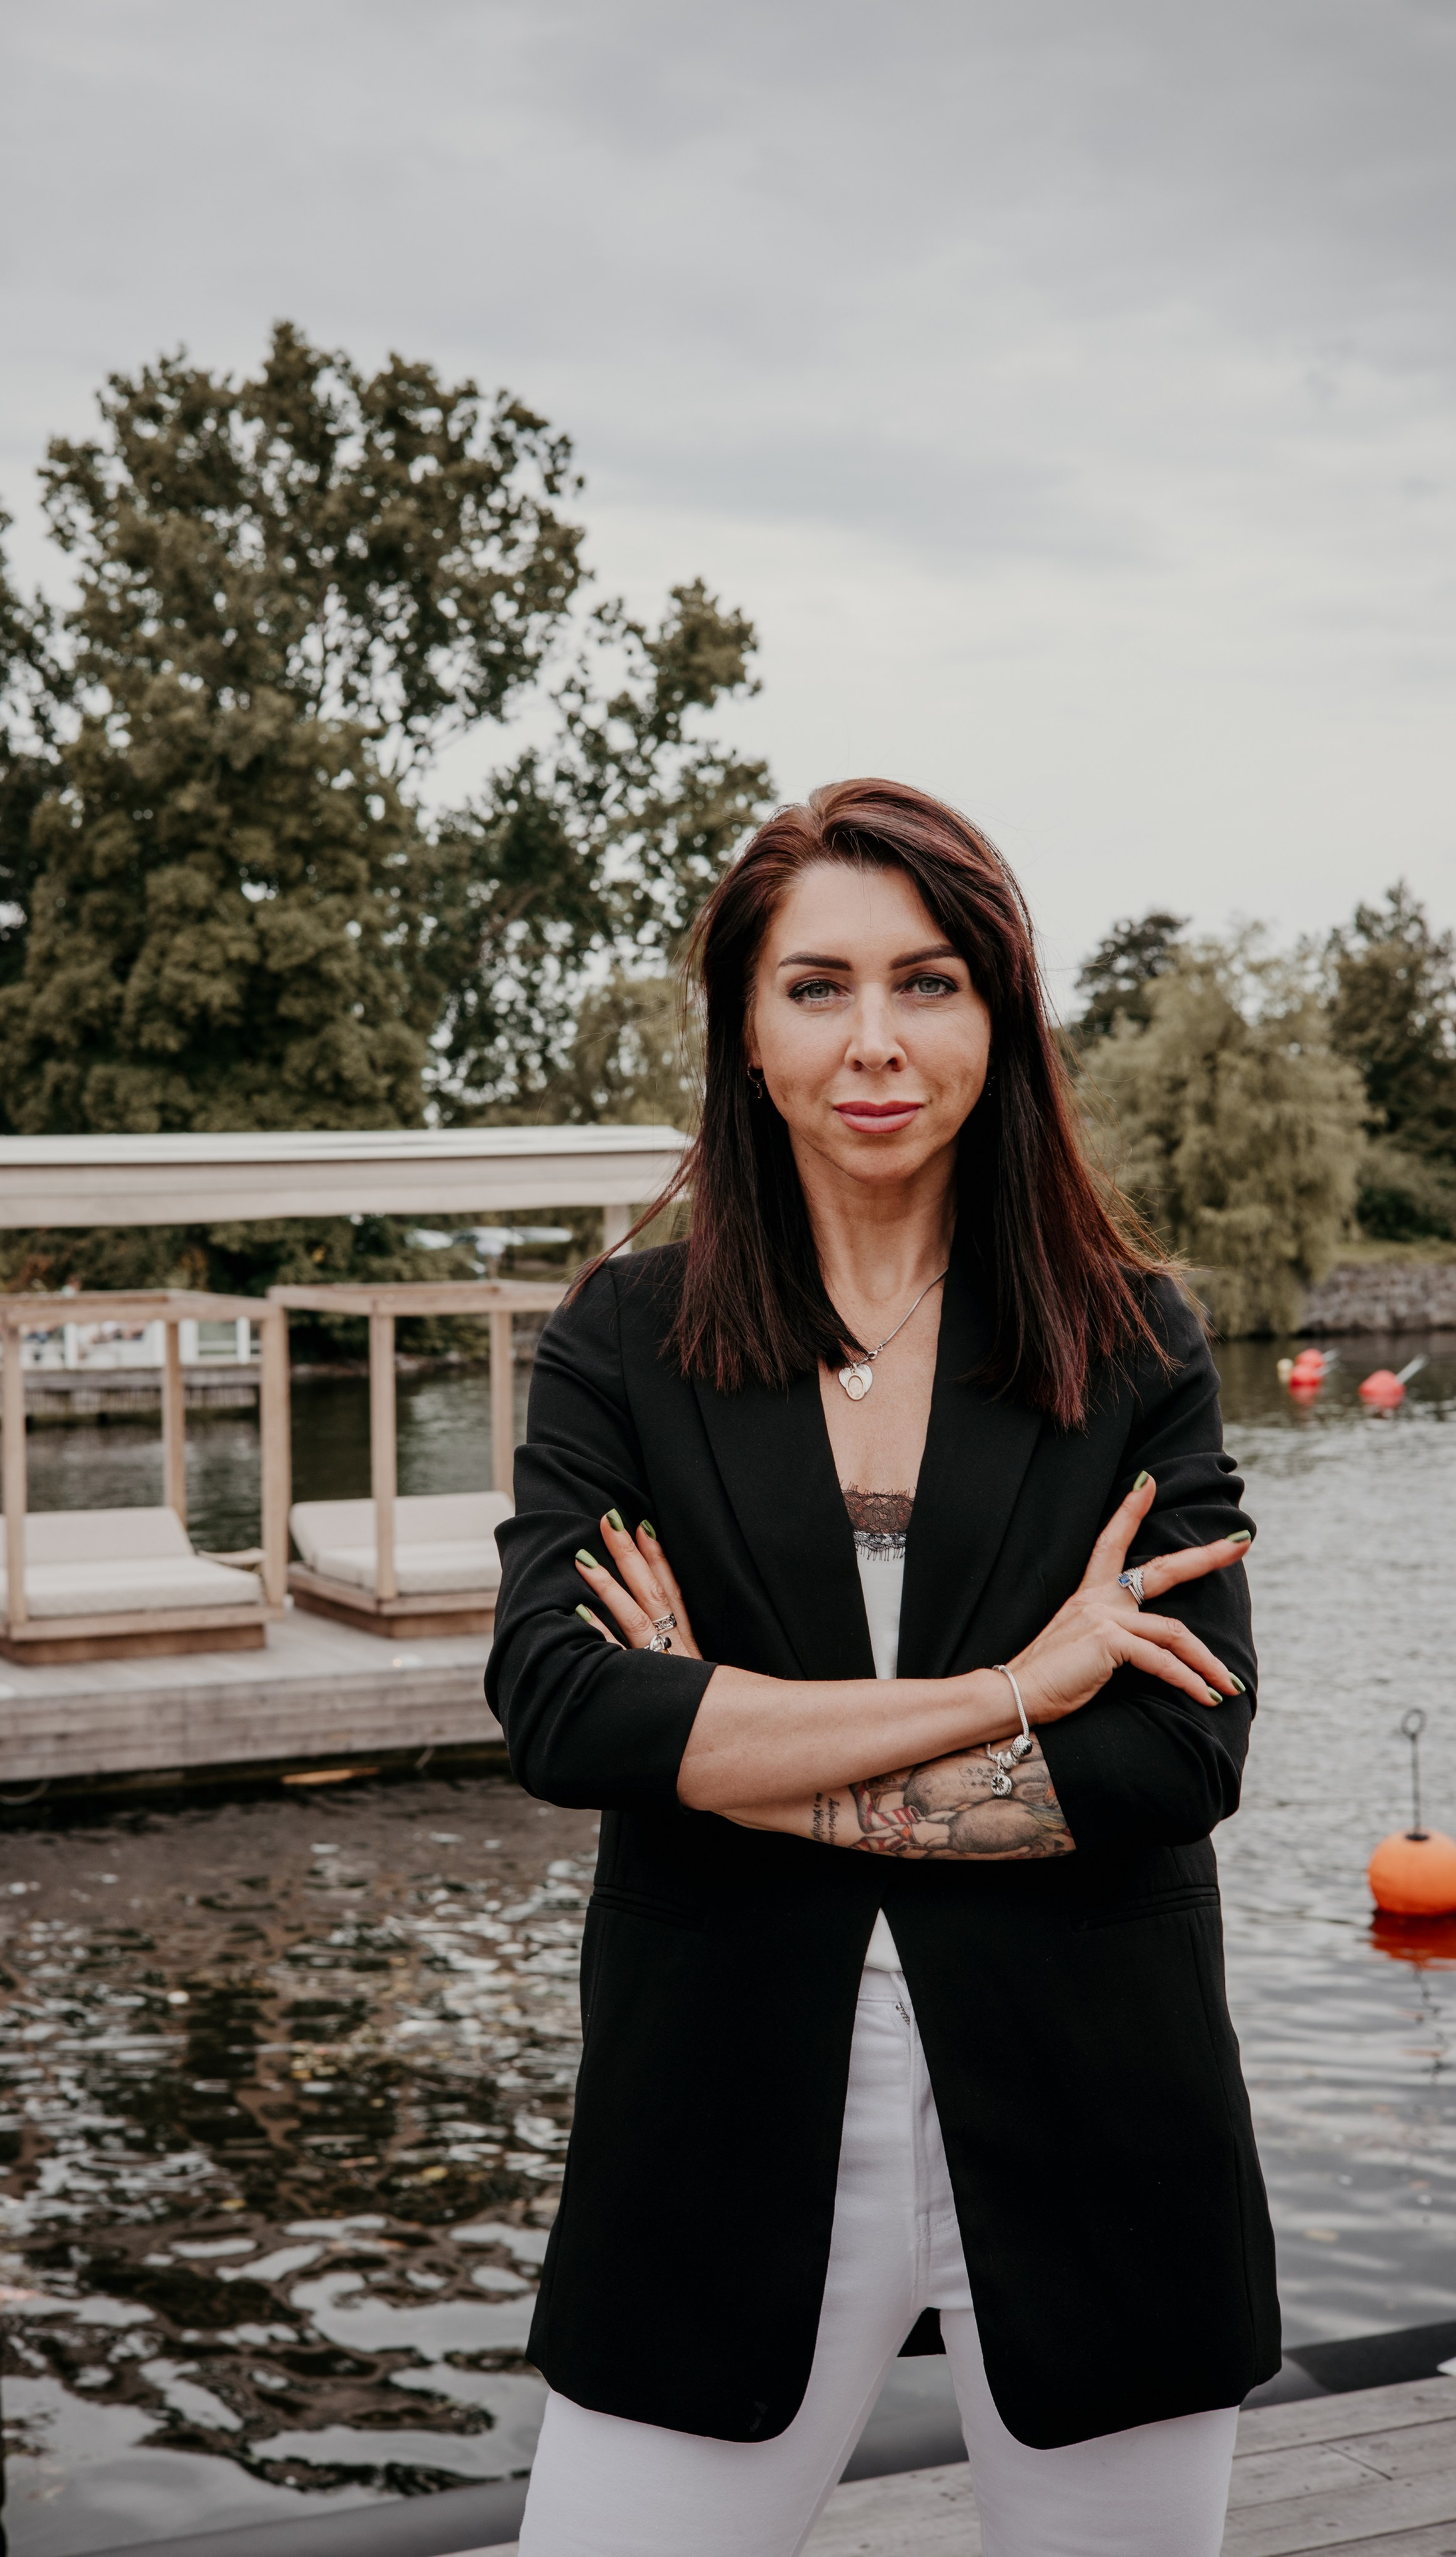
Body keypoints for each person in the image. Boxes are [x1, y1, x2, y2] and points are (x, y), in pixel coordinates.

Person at [486, 778, 1277, 2557]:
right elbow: (563, 1704)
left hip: (1100, 2133)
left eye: (928, 983)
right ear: (747, 1035)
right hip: (714, 2139)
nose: (875, 1041)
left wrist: (730, 1744)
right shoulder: (626, 1340)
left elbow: (1173, 1756)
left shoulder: (1134, 1336)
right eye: (817, 986)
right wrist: (1018, 1692)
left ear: (997, 1022)